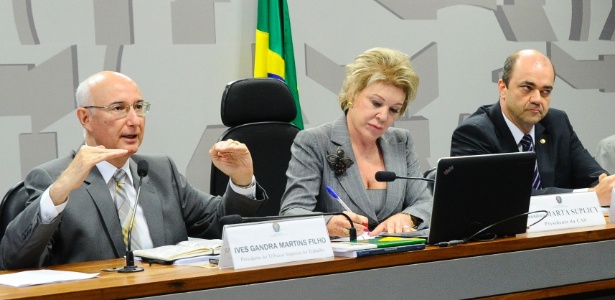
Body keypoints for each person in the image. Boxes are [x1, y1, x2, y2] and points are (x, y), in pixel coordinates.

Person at [0, 71, 267, 269]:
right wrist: (58, 192)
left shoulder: (160, 170)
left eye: (139, 107)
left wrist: (241, 181)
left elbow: (219, 224)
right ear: (85, 118)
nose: (134, 120)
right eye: (119, 108)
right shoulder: (53, 178)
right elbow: (15, 260)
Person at [279, 47, 432, 238]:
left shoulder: (401, 141)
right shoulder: (315, 141)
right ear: (352, 94)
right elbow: (292, 213)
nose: (383, 116)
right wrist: (327, 223)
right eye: (376, 103)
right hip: (340, 263)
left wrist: (409, 218)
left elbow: (426, 203)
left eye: (394, 110)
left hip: (398, 260)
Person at [451, 49, 615, 205]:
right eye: (527, 88)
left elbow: (595, 177)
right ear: (503, 88)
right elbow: (502, 198)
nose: (537, 99)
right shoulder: (474, 133)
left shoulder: (557, 123)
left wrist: (607, 187)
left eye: (546, 91)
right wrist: (589, 197)